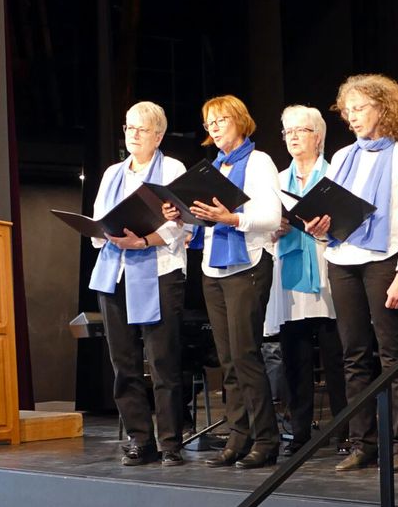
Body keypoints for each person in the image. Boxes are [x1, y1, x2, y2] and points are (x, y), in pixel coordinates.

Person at [303, 74, 398, 472]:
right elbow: (330, 213)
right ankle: (363, 442)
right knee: (353, 355)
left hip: (384, 259)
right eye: (347, 110)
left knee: (392, 353)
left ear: (383, 109)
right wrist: (319, 229)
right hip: (342, 259)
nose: (352, 117)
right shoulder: (342, 157)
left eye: (360, 108)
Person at [90, 101, 189, 466]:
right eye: (129, 127)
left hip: (159, 271)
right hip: (115, 273)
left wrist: (144, 241)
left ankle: (170, 442)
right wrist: (106, 232)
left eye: (141, 129)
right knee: (124, 362)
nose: (133, 134)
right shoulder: (112, 173)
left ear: (158, 136)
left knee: (162, 361)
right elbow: (98, 223)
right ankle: (139, 438)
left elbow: (182, 226)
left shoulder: (172, 169)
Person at [190, 95, 283, 469]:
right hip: (213, 269)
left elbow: (271, 217)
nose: (214, 128)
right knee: (227, 360)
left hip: (248, 265)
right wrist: (184, 216)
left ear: (240, 121)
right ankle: (238, 436)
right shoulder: (212, 168)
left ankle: (267, 439)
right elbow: (205, 219)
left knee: (246, 355)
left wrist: (230, 218)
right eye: (209, 123)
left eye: (221, 120)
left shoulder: (259, 162)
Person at [266, 104, 348, 454]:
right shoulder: (276, 181)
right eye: (288, 131)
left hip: (329, 270)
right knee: (295, 358)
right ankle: (299, 433)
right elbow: (263, 231)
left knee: (336, 358)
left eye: (301, 130)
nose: (294, 137)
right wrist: (274, 229)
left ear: (319, 137)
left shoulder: (335, 176)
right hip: (289, 274)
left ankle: (346, 432)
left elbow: (350, 223)